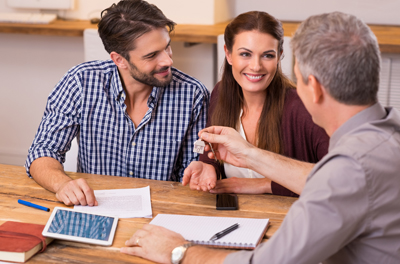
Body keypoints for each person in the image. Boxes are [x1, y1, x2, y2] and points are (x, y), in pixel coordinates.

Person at [121, 12, 400, 264]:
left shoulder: (351, 168)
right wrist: (247, 155)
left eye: (299, 79)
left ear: (312, 88)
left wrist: (177, 251)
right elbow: (326, 178)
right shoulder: (386, 135)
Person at [25, 0, 209, 207]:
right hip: (94, 208)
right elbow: (43, 151)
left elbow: (194, 173)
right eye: (152, 55)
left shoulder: (193, 95)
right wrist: (62, 185)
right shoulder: (81, 82)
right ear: (119, 60)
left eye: (167, 47)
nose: (167, 61)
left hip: (162, 213)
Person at [184, 11, 329, 197]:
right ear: (228, 54)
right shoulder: (220, 94)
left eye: (267, 56)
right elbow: (213, 151)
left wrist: (263, 185)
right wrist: (207, 166)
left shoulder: (303, 107)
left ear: (279, 57)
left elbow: (337, 180)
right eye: (245, 54)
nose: (255, 66)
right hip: (240, 217)